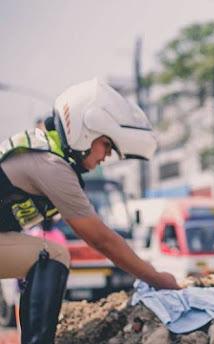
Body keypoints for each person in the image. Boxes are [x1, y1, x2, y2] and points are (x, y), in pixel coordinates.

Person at [0, 78, 180, 344]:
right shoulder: (51, 165)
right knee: (50, 255)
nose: (107, 156)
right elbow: (100, 238)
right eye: (107, 145)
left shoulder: (45, 153)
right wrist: (156, 278)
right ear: (86, 132)